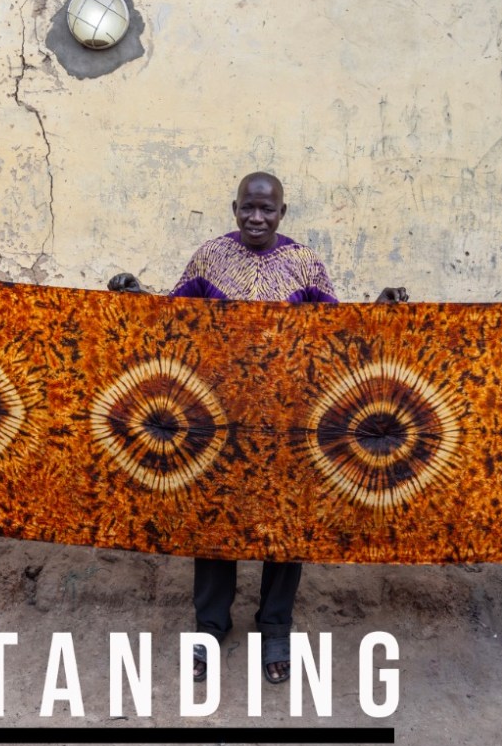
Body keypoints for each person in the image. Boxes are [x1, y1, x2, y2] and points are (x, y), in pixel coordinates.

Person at [110, 171, 405, 684]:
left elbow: (336, 335)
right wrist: (136, 296)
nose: (256, 217)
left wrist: (379, 311)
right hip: (218, 417)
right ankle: (209, 627)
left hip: (289, 420)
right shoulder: (209, 258)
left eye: (267, 210)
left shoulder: (304, 264)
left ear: (282, 213)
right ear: (234, 208)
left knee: (286, 522)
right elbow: (169, 321)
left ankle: (275, 628)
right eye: (248, 207)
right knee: (214, 520)